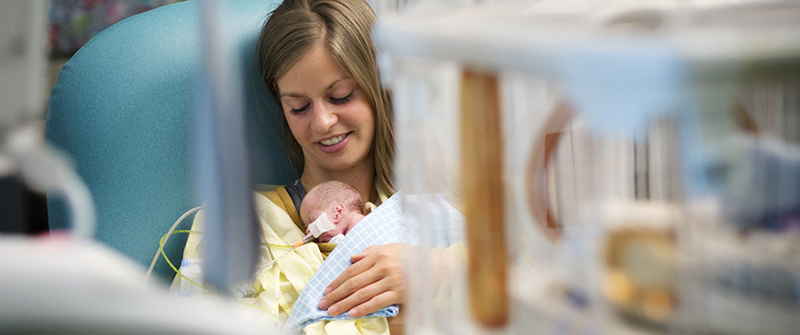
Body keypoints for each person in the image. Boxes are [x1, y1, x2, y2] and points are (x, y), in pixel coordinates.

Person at [255, 0, 406, 332]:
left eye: (341, 96)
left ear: (379, 85)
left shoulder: (438, 209)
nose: (322, 122)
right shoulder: (243, 226)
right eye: (299, 107)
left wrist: (443, 270)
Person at [300, 180, 366, 243]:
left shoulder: (367, 229)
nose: (308, 232)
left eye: (313, 220)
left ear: (338, 213)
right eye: (306, 227)